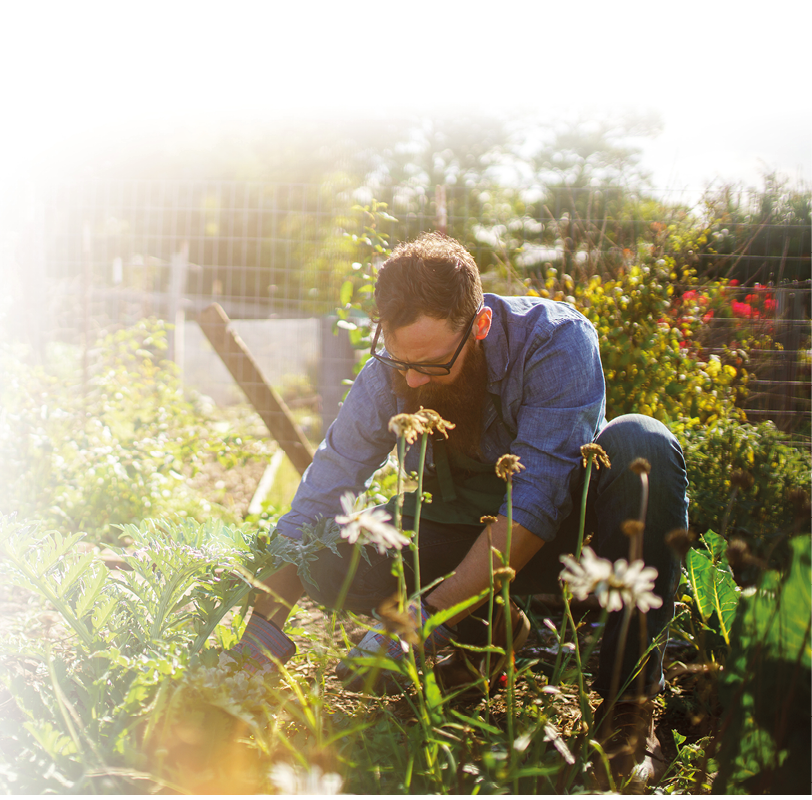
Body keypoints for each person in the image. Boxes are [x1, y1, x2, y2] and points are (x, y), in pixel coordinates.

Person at [226, 233, 687, 787]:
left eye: (432, 365)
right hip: (454, 533)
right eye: (400, 361)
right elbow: (323, 490)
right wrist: (260, 634)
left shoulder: (556, 342)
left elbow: (536, 503)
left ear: (480, 327)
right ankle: (489, 635)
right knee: (324, 556)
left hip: (562, 544)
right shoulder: (390, 371)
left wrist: (421, 621)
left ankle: (628, 711)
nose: (413, 380)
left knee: (645, 444)